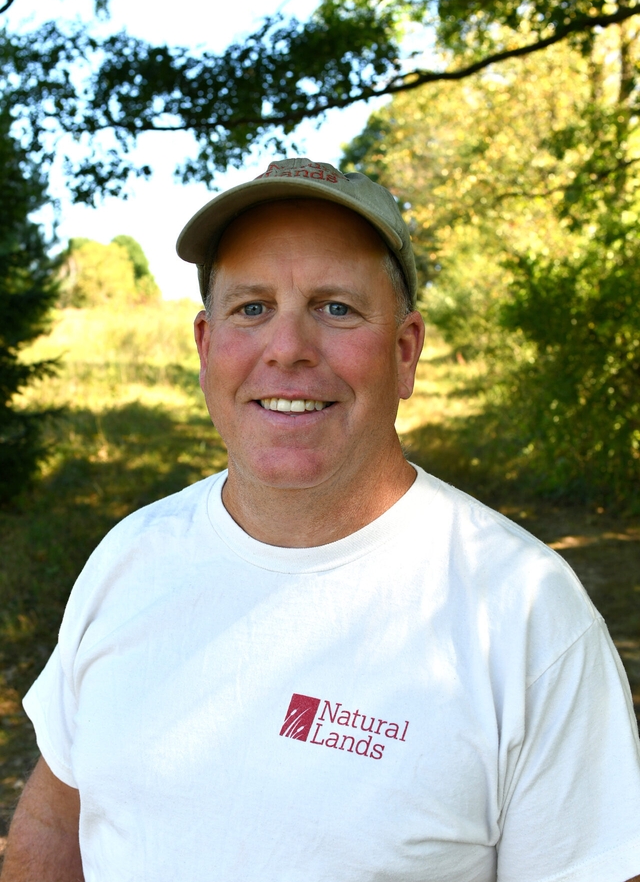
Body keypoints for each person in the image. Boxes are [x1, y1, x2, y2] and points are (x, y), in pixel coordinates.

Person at [2, 157, 640, 882]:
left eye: (336, 307)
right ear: (206, 347)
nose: (288, 348)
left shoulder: (525, 612)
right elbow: (58, 823)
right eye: (252, 308)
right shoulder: (129, 559)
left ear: (404, 353)